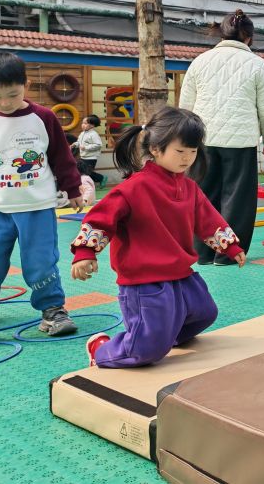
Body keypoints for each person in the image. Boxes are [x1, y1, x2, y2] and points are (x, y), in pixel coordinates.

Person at [74, 107, 245, 367]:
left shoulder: (189, 187)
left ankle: (161, 336)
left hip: (181, 273)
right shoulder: (134, 187)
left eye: (193, 151)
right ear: (155, 149)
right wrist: (85, 252)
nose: (187, 158)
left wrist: (230, 246)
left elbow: (208, 220)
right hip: (145, 281)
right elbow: (101, 218)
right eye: (180, 151)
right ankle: (101, 349)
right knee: (145, 351)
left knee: (204, 313)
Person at [180, 9, 264, 264]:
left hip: (202, 139)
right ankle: (227, 254)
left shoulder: (200, 61)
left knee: (202, 195)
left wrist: (185, 138)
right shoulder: (257, 64)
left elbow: (186, 104)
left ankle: (201, 252)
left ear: (221, 33)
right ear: (249, 37)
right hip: (240, 140)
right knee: (237, 199)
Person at [0, 51, 83, 336]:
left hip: (36, 206)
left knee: (40, 261)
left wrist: (72, 188)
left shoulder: (43, 117)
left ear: (27, 85)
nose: (5, 103)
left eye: (12, 94)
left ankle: (52, 310)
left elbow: (61, 156)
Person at [74, 115, 105, 188]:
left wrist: (86, 147)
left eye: (85, 123)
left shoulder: (94, 134)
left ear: (92, 125)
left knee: (87, 172)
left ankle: (101, 178)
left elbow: (98, 145)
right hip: (83, 156)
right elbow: (79, 142)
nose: (83, 125)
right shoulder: (82, 133)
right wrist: (75, 144)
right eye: (82, 123)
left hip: (91, 157)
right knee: (84, 171)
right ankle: (99, 179)